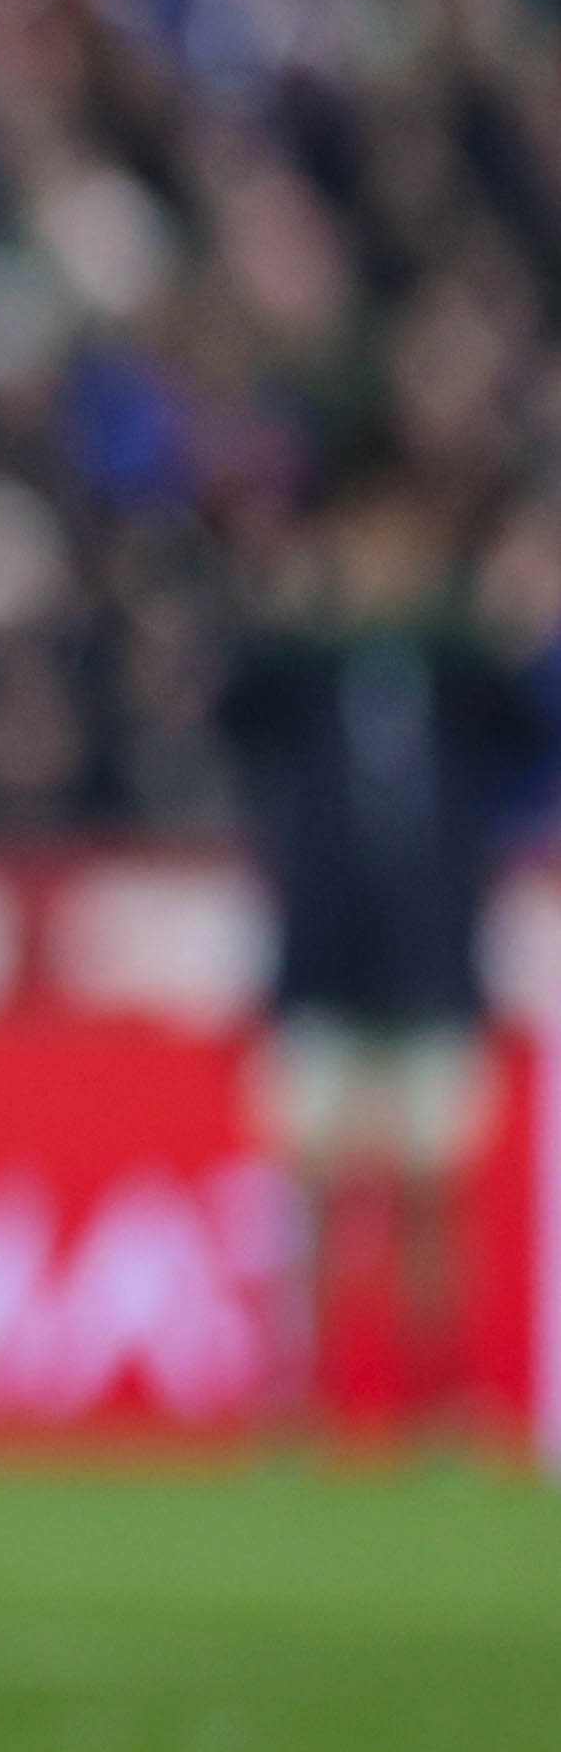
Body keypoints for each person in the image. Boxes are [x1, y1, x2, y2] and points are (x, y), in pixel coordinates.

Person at [215, 459, 550, 1429]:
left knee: (431, 1188)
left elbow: (530, 728)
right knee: (312, 1186)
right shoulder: (305, 672)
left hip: (432, 961)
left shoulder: (454, 671)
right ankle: (300, 1397)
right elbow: (234, 711)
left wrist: (487, 619)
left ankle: (438, 1398)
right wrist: (292, 607)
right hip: (320, 959)